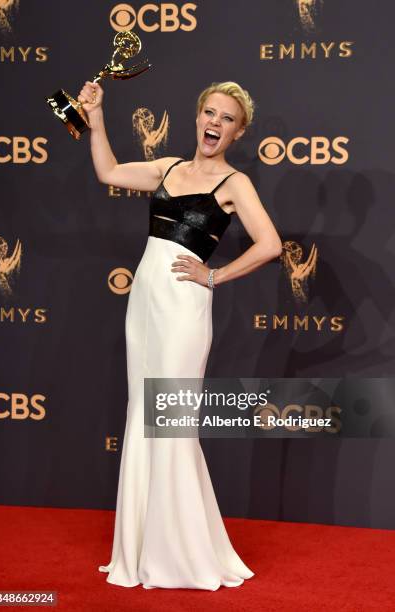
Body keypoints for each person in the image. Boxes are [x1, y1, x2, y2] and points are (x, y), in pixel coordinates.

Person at [79, 78, 282, 590]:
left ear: (238, 132)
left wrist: (214, 275)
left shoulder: (235, 184)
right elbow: (107, 170)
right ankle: (142, 545)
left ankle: (181, 553)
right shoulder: (167, 168)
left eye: (226, 119)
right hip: (144, 302)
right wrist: (97, 117)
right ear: (197, 117)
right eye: (209, 113)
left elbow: (271, 245)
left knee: (168, 420)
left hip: (184, 306)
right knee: (140, 416)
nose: (214, 123)